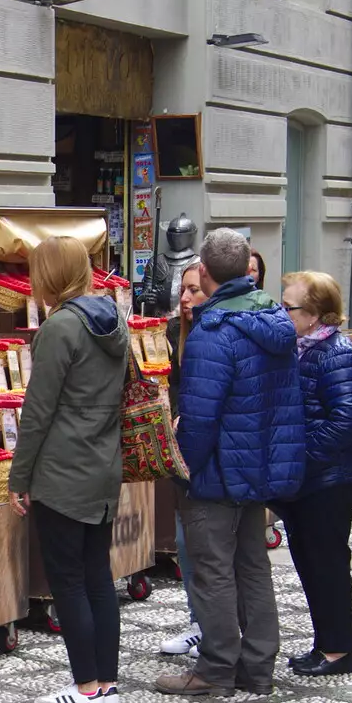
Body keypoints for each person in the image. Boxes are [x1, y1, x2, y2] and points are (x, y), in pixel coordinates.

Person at [155, 228, 304, 697]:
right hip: (260, 465)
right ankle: (258, 666)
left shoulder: (212, 330)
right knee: (252, 565)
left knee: (212, 569)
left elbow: (199, 416)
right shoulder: (275, 319)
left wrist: (184, 469)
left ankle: (216, 668)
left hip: (218, 470)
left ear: (204, 270)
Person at [8, 235, 129, 703]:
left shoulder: (60, 327)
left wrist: (19, 478)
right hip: (102, 465)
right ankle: (107, 686)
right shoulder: (112, 319)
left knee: (69, 581)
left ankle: (86, 688)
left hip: (62, 471)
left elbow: (37, 412)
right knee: (98, 575)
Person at [273, 271, 352, 676]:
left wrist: (301, 457)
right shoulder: (301, 348)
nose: (282, 312)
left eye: (289, 306)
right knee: (310, 560)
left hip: (335, 477)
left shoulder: (338, 353)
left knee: (327, 562)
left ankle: (338, 651)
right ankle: (325, 643)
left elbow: (348, 420)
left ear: (314, 314)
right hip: (311, 478)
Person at [159, 259, 208, 660]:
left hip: (210, 453)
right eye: (184, 291)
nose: (187, 298)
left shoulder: (218, 332)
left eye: (195, 290)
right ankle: (199, 622)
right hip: (180, 450)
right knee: (183, 542)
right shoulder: (175, 331)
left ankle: (218, 627)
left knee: (210, 544)